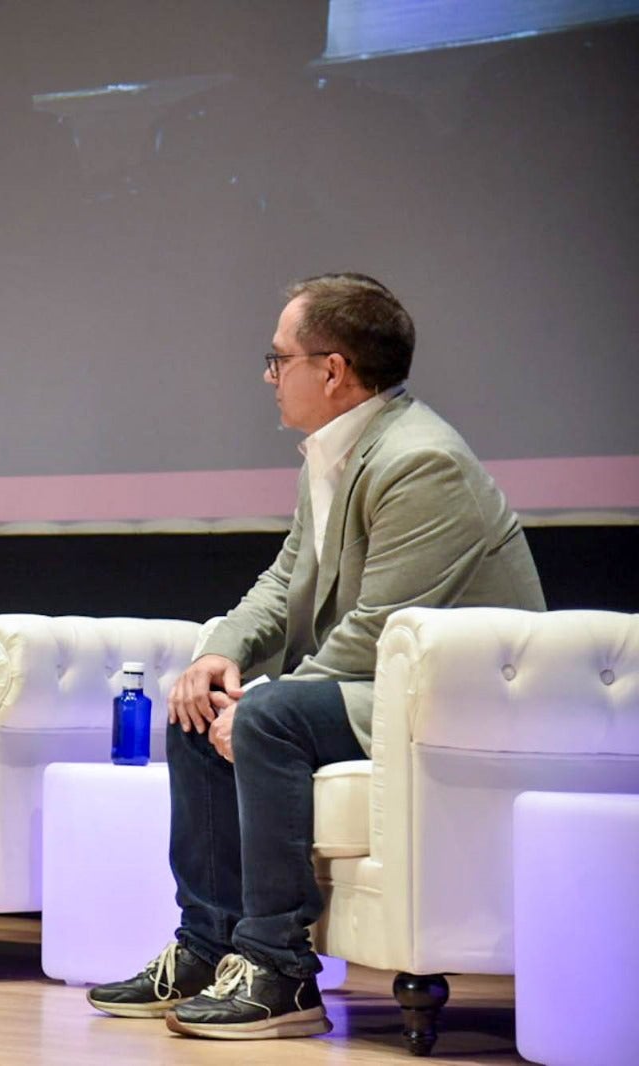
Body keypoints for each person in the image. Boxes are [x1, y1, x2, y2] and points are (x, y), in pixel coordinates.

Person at [87, 274, 544, 1038]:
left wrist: (263, 705)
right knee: (195, 707)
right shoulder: (334, 455)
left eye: (278, 359)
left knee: (264, 715)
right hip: (385, 689)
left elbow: (377, 629)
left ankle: (280, 969)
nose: (269, 377)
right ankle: (208, 948)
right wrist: (217, 654)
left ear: (331, 371)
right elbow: (283, 580)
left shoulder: (420, 461)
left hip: (459, 701)